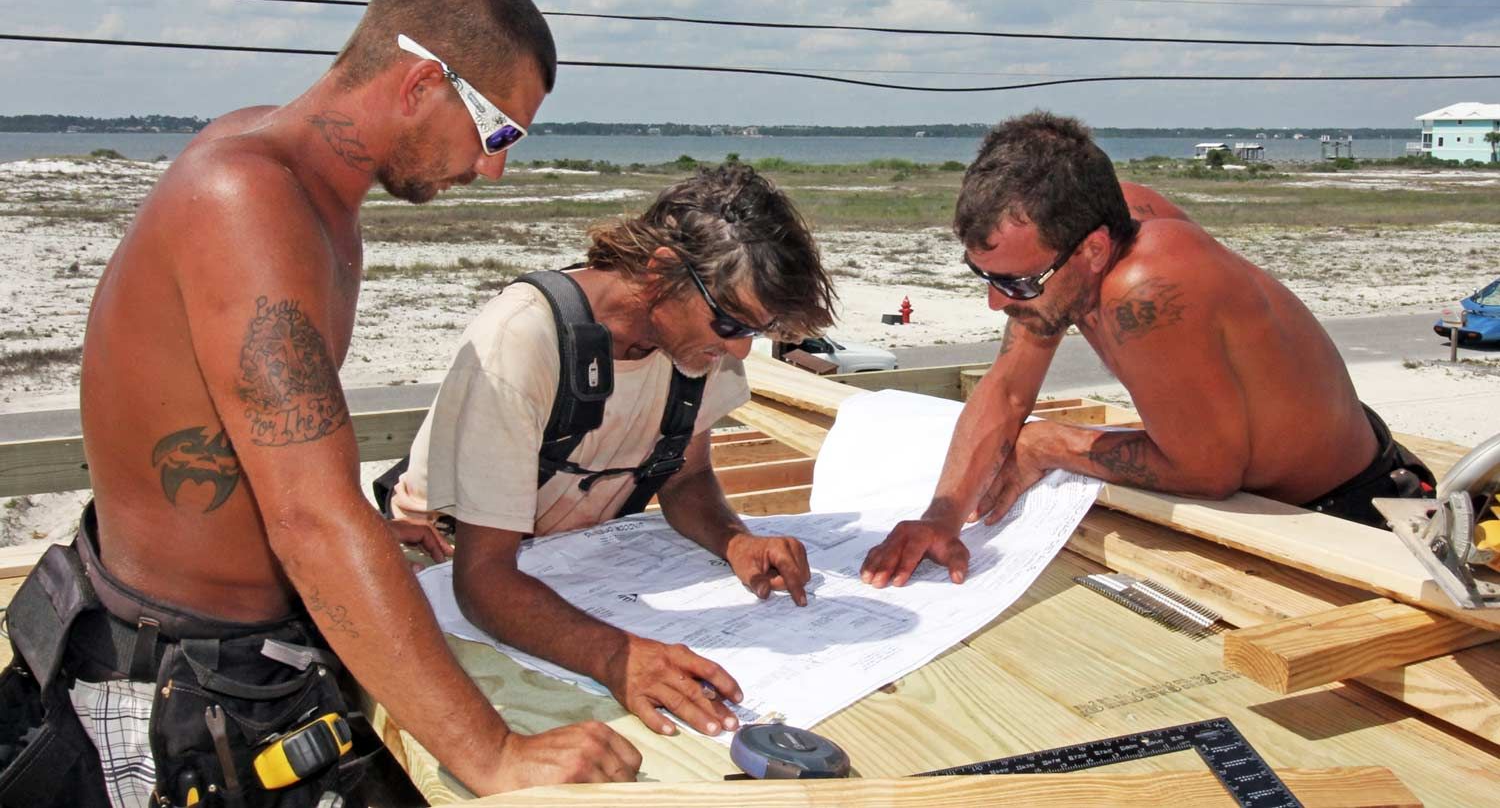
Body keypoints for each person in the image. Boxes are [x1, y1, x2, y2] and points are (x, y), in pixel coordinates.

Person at [3, 0, 642, 808]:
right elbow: (309, 515)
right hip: (180, 677)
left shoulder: (307, 187)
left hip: (258, 648)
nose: (495, 167)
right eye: (497, 132)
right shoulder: (246, 199)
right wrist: (493, 754)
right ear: (421, 84)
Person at [861, 112, 1433, 589]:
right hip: (1269, 491)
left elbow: (1207, 472)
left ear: (1093, 249)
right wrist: (942, 516)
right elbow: (1009, 389)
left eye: (1016, 283)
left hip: (1346, 512)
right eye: (985, 276)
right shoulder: (1080, 232)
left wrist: (1049, 443)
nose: (995, 302)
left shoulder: (1149, 287)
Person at [389, 163, 837, 739]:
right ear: (664, 272)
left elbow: (685, 478)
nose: (739, 350)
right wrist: (618, 658)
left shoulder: (692, 350)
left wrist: (734, 539)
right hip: (449, 572)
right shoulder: (525, 337)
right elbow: (481, 580)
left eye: (758, 329)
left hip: (574, 570)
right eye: (728, 322)